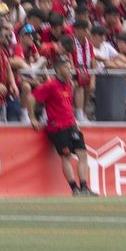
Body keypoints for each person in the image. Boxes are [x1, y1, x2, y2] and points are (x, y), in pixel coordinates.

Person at [23, 57, 96, 196]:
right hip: (58, 127)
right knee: (66, 156)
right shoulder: (50, 86)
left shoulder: (69, 84)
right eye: (66, 67)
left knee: (83, 154)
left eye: (70, 67)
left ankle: (85, 187)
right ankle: (74, 188)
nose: (70, 70)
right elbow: (32, 98)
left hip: (71, 124)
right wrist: (32, 117)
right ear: (57, 70)